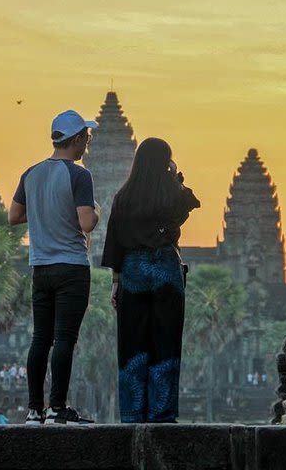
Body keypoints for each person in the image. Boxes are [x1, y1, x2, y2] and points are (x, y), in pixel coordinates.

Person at [9, 109, 100, 425]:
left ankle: (34, 409)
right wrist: (96, 213)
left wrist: (44, 213)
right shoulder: (79, 175)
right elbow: (86, 223)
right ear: (76, 140)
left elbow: (14, 216)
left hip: (41, 268)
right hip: (72, 267)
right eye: (85, 139)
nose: (86, 145)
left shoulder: (31, 174)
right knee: (64, 339)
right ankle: (57, 407)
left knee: (40, 338)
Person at [102, 137, 200, 423]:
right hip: (166, 270)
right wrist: (174, 174)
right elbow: (191, 200)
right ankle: (162, 412)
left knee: (132, 343)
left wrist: (116, 282)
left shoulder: (123, 196)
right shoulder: (170, 194)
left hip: (132, 269)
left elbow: (114, 243)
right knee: (166, 341)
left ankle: (133, 412)